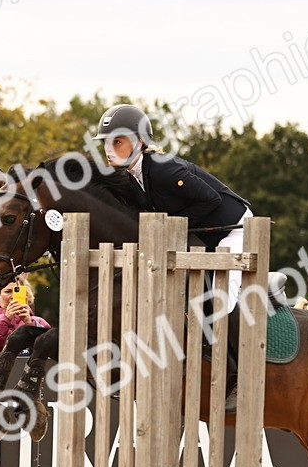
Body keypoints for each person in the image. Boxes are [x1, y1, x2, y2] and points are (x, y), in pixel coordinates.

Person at [95, 103, 252, 409]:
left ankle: (238, 374)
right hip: (202, 233)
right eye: (106, 143)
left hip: (233, 229)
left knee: (223, 297)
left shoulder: (163, 168)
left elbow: (211, 198)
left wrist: (173, 227)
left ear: (139, 142)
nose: (109, 150)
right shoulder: (133, 177)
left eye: (117, 141)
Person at [0, 277, 50, 357]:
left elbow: (49, 348)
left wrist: (30, 324)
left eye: (18, 291)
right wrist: (4, 319)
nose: (13, 296)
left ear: (26, 296)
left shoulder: (39, 322)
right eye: (8, 291)